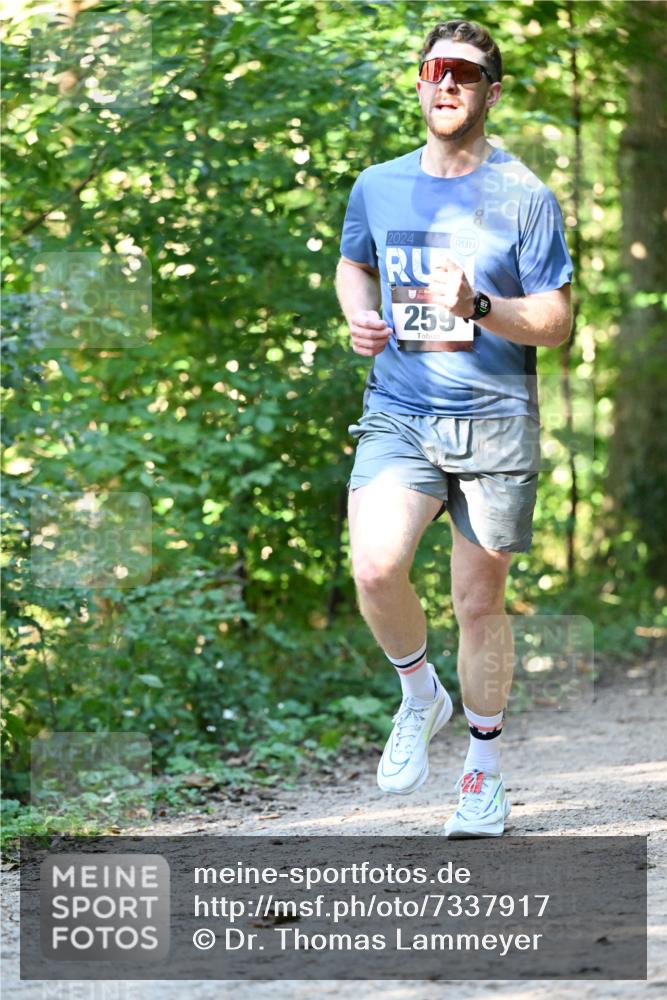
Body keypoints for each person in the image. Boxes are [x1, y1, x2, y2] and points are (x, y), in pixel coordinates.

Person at [336, 19, 573, 838]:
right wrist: (358, 315)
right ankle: (418, 692)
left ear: (490, 92)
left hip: (495, 423)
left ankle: (483, 772)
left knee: (477, 605)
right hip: (400, 410)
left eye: (464, 74)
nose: (446, 83)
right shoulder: (377, 184)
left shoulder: (524, 195)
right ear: (417, 82)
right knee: (375, 568)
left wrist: (479, 306)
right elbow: (353, 263)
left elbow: (556, 322)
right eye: (434, 69)